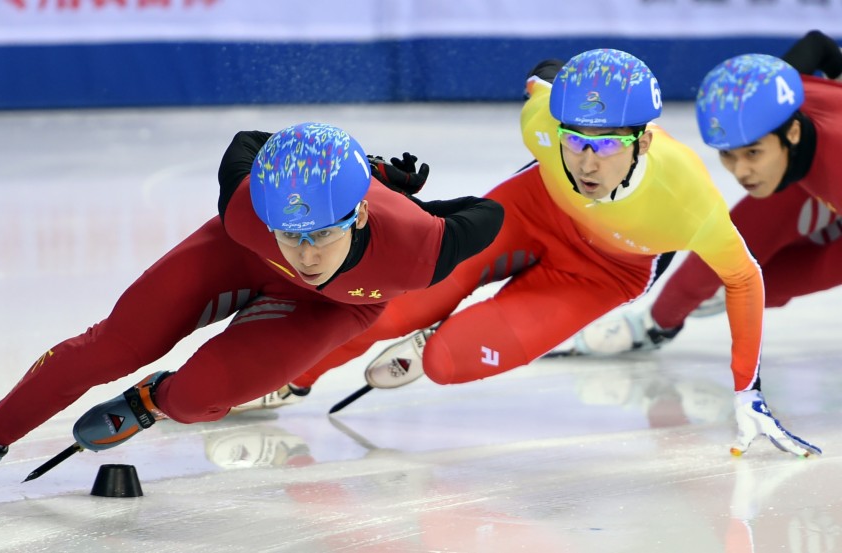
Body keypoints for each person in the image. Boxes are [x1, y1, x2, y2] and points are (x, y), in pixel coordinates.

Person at [246, 49, 821, 458]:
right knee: (393, 309)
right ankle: (290, 376)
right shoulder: (543, 123)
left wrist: (748, 389)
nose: (588, 164)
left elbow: (745, 280)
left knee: (448, 360)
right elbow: (542, 80)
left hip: (605, 269)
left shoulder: (688, 198)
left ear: (643, 141)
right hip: (529, 209)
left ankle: (434, 344)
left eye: (606, 146)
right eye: (576, 142)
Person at [0, 122, 504, 481]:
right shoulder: (245, 209)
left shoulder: (421, 247)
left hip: (334, 307)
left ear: (361, 211)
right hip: (235, 256)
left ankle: (152, 399)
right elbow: (248, 140)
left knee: (195, 400)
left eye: (323, 233)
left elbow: (489, 213)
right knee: (109, 347)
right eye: (291, 234)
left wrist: (389, 186)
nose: (305, 254)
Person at [555, 31, 842, 361]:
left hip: (826, 166)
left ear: (791, 133)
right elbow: (818, 45)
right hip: (809, 166)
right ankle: (653, 323)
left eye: (752, 153)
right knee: (734, 255)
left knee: (767, 285)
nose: (741, 172)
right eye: (728, 155)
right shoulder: (776, 94)